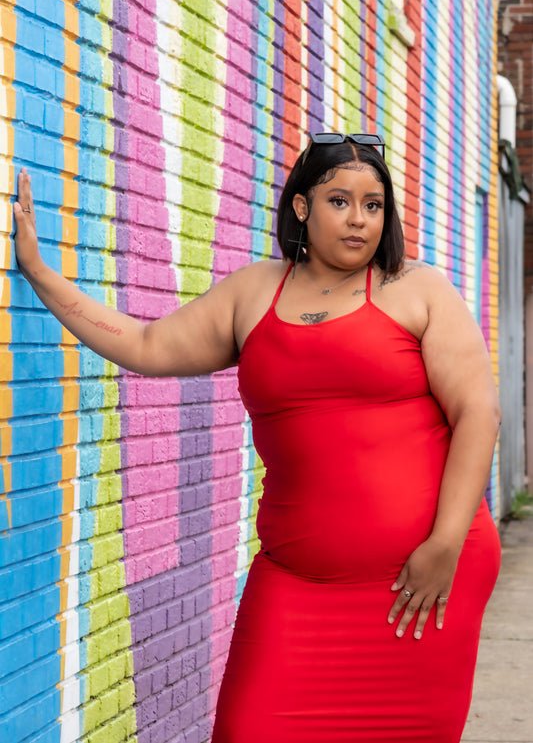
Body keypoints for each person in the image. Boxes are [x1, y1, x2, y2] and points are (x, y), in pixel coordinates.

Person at [13, 133, 501, 743]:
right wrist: (38, 272)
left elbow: (478, 414)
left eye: (374, 205)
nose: (359, 220)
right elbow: (145, 346)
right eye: (340, 201)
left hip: (420, 582)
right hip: (295, 584)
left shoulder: (418, 290)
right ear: (302, 207)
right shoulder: (254, 292)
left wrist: (445, 545)